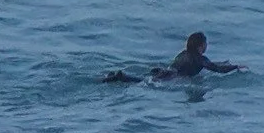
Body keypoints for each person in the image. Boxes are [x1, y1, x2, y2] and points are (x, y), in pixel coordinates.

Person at [102, 32, 245, 83]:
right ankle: (122, 77)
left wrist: (222, 63)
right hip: (172, 77)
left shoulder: (183, 53)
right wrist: (235, 66)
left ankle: (119, 76)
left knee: (146, 78)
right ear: (200, 46)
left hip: (165, 70)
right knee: (143, 82)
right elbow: (218, 70)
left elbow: (210, 64)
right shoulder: (200, 59)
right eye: (205, 43)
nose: (207, 46)